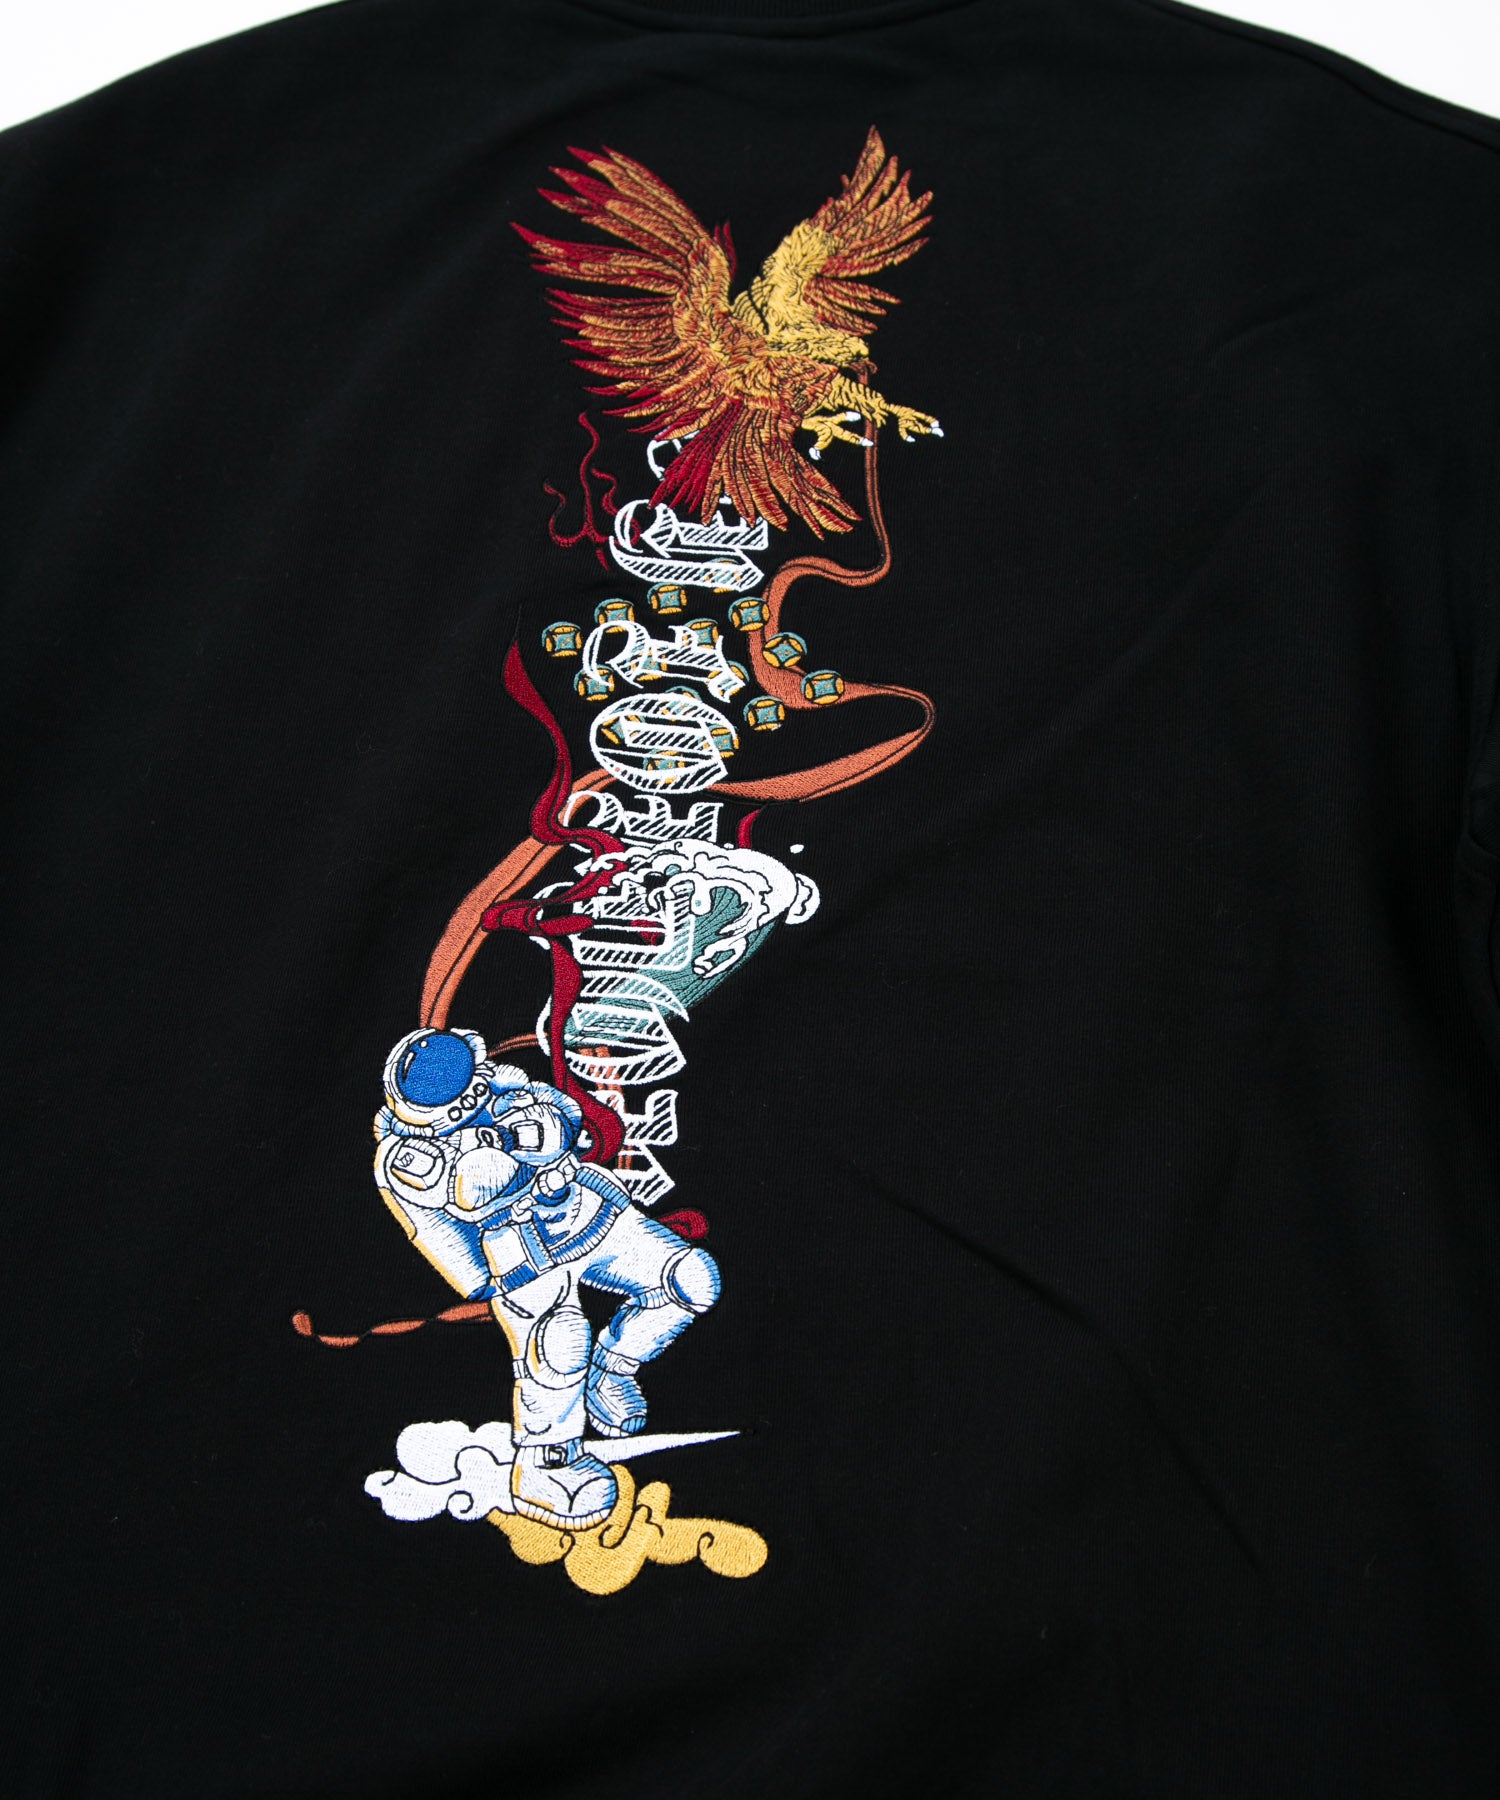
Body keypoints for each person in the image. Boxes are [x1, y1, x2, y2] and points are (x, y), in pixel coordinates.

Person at [373, 1027, 720, 1528]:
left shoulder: (501, 1085)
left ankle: (613, 1368)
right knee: (558, 1343)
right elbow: (472, 1186)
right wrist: (512, 1141)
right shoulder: (409, 1154)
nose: (469, 1100)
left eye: (469, 1083)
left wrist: (533, 1127)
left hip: (583, 1208)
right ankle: (545, 1464)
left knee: (690, 1279)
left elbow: (565, 1117)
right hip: (519, 1248)